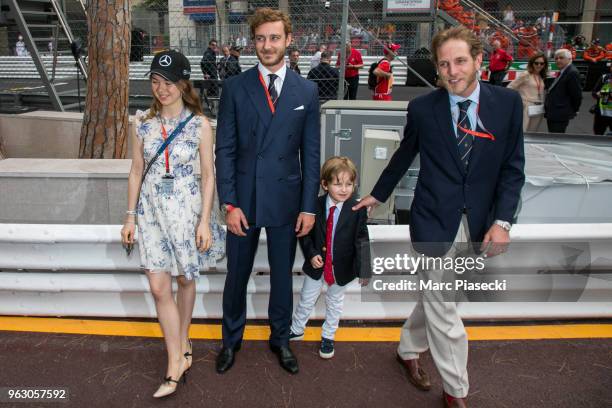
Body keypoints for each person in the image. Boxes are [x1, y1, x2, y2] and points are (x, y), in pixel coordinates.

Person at [354, 26, 525, 408]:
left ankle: (407, 348)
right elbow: (404, 154)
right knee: (445, 307)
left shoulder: (507, 105)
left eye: (460, 61)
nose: (452, 71)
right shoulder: (423, 108)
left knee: (438, 296)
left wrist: (503, 222)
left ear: (479, 60)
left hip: (479, 222)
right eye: (444, 64)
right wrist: (377, 195)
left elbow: (513, 169)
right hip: (433, 219)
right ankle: (456, 391)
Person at [215, 7, 320, 375]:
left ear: (288, 41)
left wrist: (309, 208)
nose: (267, 45)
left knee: (281, 276)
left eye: (274, 38)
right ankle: (230, 341)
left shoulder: (306, 90)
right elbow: (224, 150)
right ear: (252, 41)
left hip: (286, 201)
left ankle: (281, 340)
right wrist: (229, 203)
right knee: (237, 275)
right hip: (243, 200)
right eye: (260, 38)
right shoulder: (235, 87)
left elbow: (311, 154)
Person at [120, 50, 226, 398]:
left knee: (185, 278)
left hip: (186, 214)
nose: (161, 89)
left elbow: (209, 176)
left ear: (183, 84)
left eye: (168, 83)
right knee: (158, 287)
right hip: (151, 215)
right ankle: (174, 361)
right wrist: (130, 216)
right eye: (155, 81)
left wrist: (206, 222)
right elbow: (136, 171)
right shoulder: (142, 124)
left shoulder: (200, 125)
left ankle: (182, 341)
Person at [289, 156, 371, 358]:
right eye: (338, 184)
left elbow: (362, 239)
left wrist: (364, 269)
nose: (344, 189)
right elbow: (304, 234)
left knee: (335, 302)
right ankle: (297, 328)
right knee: (306, 299)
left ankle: (328, 336)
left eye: (349, 184)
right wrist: (311, 254)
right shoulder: (314, 206)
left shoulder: (357, 210)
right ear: (325, 184)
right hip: (317, 266)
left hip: (341, 267)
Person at [544, 48, 582, 133]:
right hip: (555, 112)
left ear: (569, 59)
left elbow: (576, 95)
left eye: (561, 58)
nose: (558, 60)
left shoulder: (572, 72)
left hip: (560, 113)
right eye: (556, 58)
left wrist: (574, 110)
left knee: (556, 138)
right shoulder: (564, 71)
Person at [508, 53, 548, 132]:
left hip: (539, 108)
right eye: (536, 63)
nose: (539, 65)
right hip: (526, 106)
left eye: (542, 63)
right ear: (532, 63)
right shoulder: (526, 74)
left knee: (533, 132)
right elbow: (510, 87)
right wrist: (519, 101)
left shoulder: (541, 76)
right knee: (523, 131)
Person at [591, 62, 612, 135]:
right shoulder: (604, 77)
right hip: (601, 114)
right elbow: (594, 93)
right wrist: (598, 94)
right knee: (598, 135)